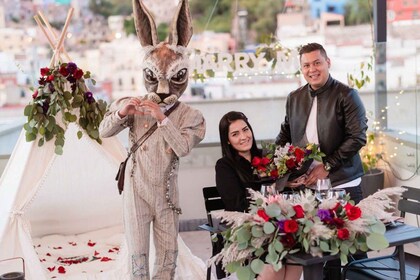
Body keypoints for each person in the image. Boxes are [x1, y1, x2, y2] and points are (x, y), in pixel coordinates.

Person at [100, 1, 206, 279]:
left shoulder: (191, 115)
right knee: (138, 259)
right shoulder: (133, 104)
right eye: (153, 78)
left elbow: (182, 148)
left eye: (175, 78)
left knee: (167, 259)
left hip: (167, 197)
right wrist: (123, 112)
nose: (162, 88)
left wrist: (162, 118)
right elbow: (104, 131)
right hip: (136, 192)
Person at [275, 42, 368, 279]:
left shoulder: (347, 95)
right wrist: (285, 172)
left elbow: (357, 137)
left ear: (328, 63)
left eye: (317, 62)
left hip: (342, 184)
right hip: (308, 189)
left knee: (354, 251)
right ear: (301, 69)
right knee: (317, 252)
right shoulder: (294, 98)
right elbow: (285, 136)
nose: (312, 69)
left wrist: (327, 166)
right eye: (306, 65)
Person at [216, 111, 302, 280]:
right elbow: (238, 205)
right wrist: (274, 187)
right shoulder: (224, 166)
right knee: (273, 266)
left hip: (276, 229)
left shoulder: (267, 158)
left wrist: (290, 182)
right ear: (227, 140)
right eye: (235, 134)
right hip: (247, 232)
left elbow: (284, 197)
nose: (243, 137)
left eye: (245, 130)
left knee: (297, 260)